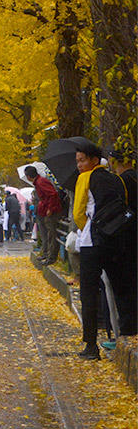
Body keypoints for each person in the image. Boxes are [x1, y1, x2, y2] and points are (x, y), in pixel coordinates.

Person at [73, 141, 128, 360]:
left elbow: (78, 213)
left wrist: (85, 228)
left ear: (94, 160)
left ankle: (91, 346)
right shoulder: (116, 179)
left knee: (88, 293)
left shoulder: (84, 178)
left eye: (82, 160)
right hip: (116, 239)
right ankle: (125, 334)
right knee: (120, 288)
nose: (79, 165)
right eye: (77, 161)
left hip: (92, 241)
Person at [107, 149, 137, 337]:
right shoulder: (134, 177)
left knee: (124, 285)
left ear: (114, 161)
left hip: (126, 236)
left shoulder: (121, 181)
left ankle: (127, 327)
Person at [25, 165, 61, 265]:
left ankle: (51, 257)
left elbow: (52, 194)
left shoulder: (41, 182)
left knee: (51, 234)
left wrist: (50, 208)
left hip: (50, 211)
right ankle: (46, 254)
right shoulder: (38, 182)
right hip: (43, 211)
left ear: (28, 176)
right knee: (46, 234)